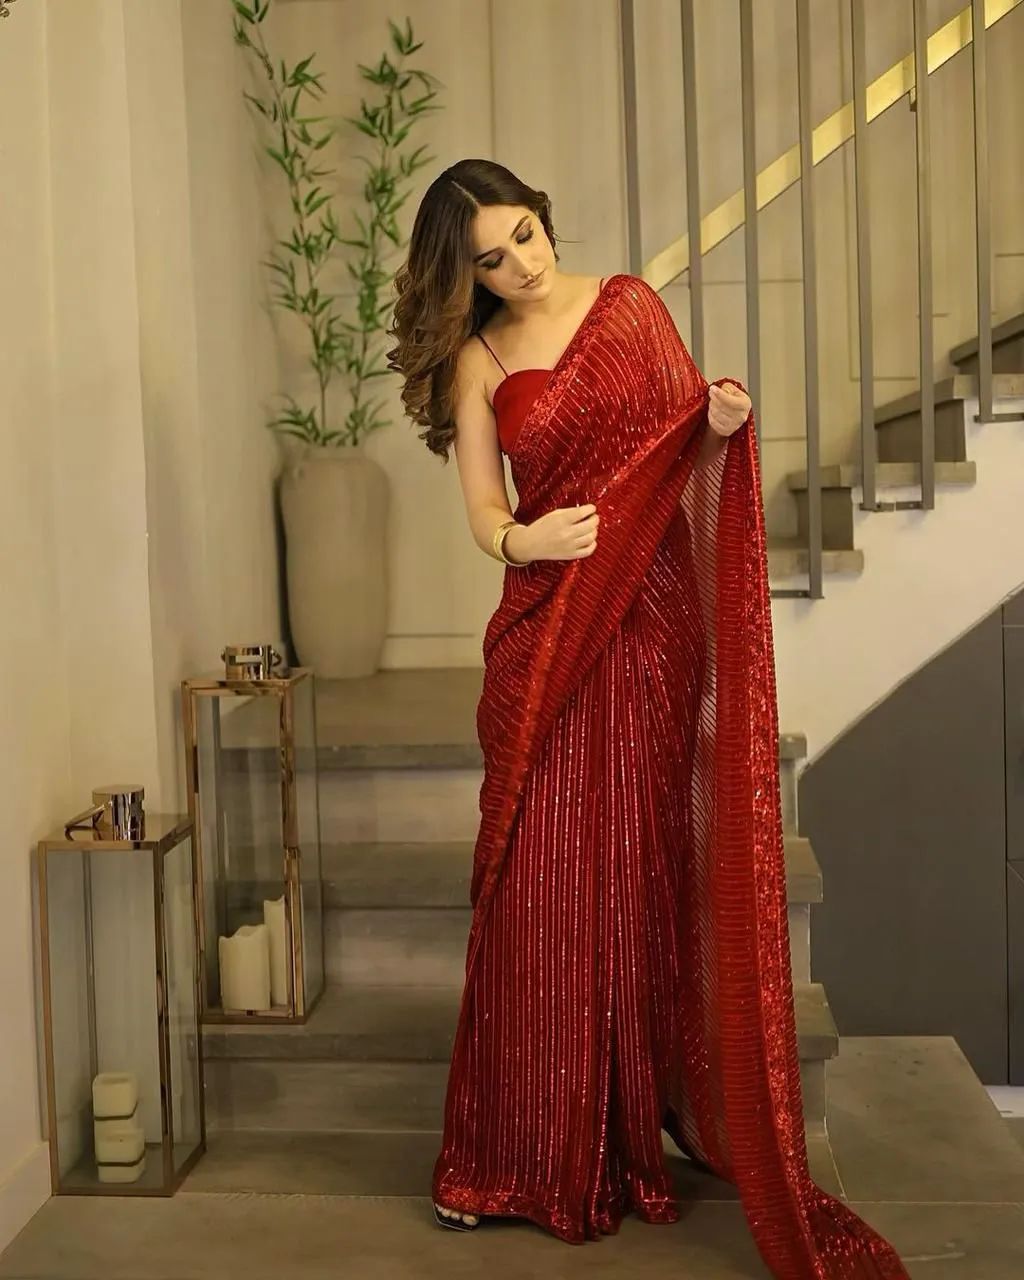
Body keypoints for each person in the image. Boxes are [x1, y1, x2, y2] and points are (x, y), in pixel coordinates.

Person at [386, 158, 909, 1278]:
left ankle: (619, 1138)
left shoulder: (628, 308)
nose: (521, 266)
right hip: (546, 626)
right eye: (491, 259)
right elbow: (482, 505)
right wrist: (521, 540)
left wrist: (719, 420)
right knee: (536, 889)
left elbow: (685, 451)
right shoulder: (479, 362)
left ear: (544, 217)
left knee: (626, 871)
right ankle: (508, 1154)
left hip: (647, 627)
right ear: (465, 275)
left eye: (526, 236)